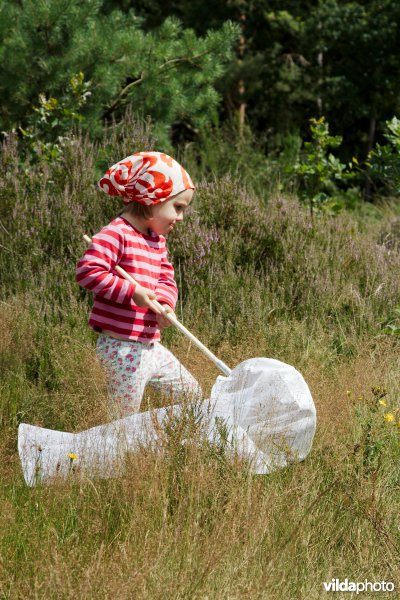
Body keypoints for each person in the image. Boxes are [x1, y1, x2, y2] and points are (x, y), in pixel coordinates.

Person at [76, 151, 202, 417]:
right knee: (121, 419)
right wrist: (132, 291)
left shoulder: (157, 241)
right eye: (177, 207)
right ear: (151, 199)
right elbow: (88, 271)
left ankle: (171, 443)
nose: (180, 218)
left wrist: (165, 304)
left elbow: (165, 277)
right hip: (121, 349)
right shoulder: (116, 233)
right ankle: (114, 456)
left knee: (193, 395)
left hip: (151, 346)